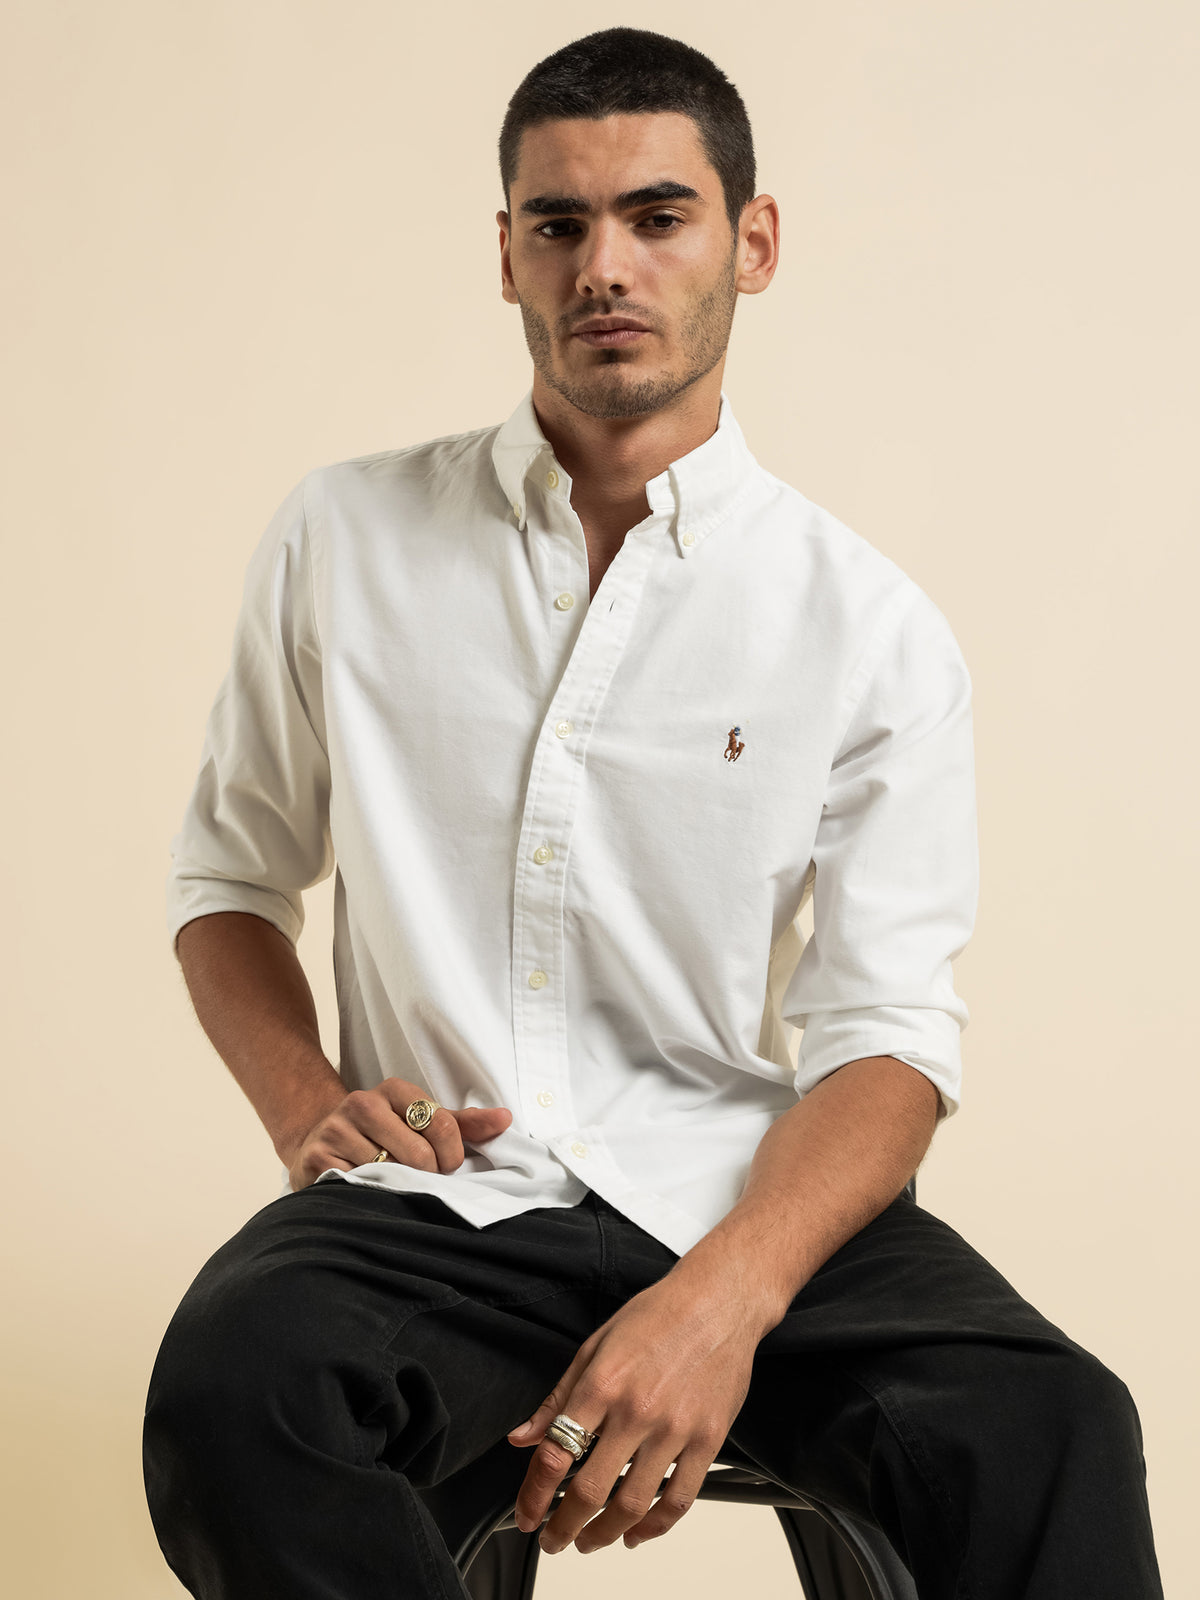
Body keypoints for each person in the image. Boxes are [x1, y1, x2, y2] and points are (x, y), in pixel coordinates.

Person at [142, 26, 1162, 1600]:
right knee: (236, 1389)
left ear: (753, 243)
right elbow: (229, 879)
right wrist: (303, 1109)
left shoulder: (867, 625)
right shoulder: (344, 538)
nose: (604, 266)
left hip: (744, 1202)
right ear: (506, 254)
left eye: (658, 217)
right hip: (444, 1206)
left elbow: (887, 1039)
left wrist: (721, 1303)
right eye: (559, 224)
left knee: (1054, 1427)